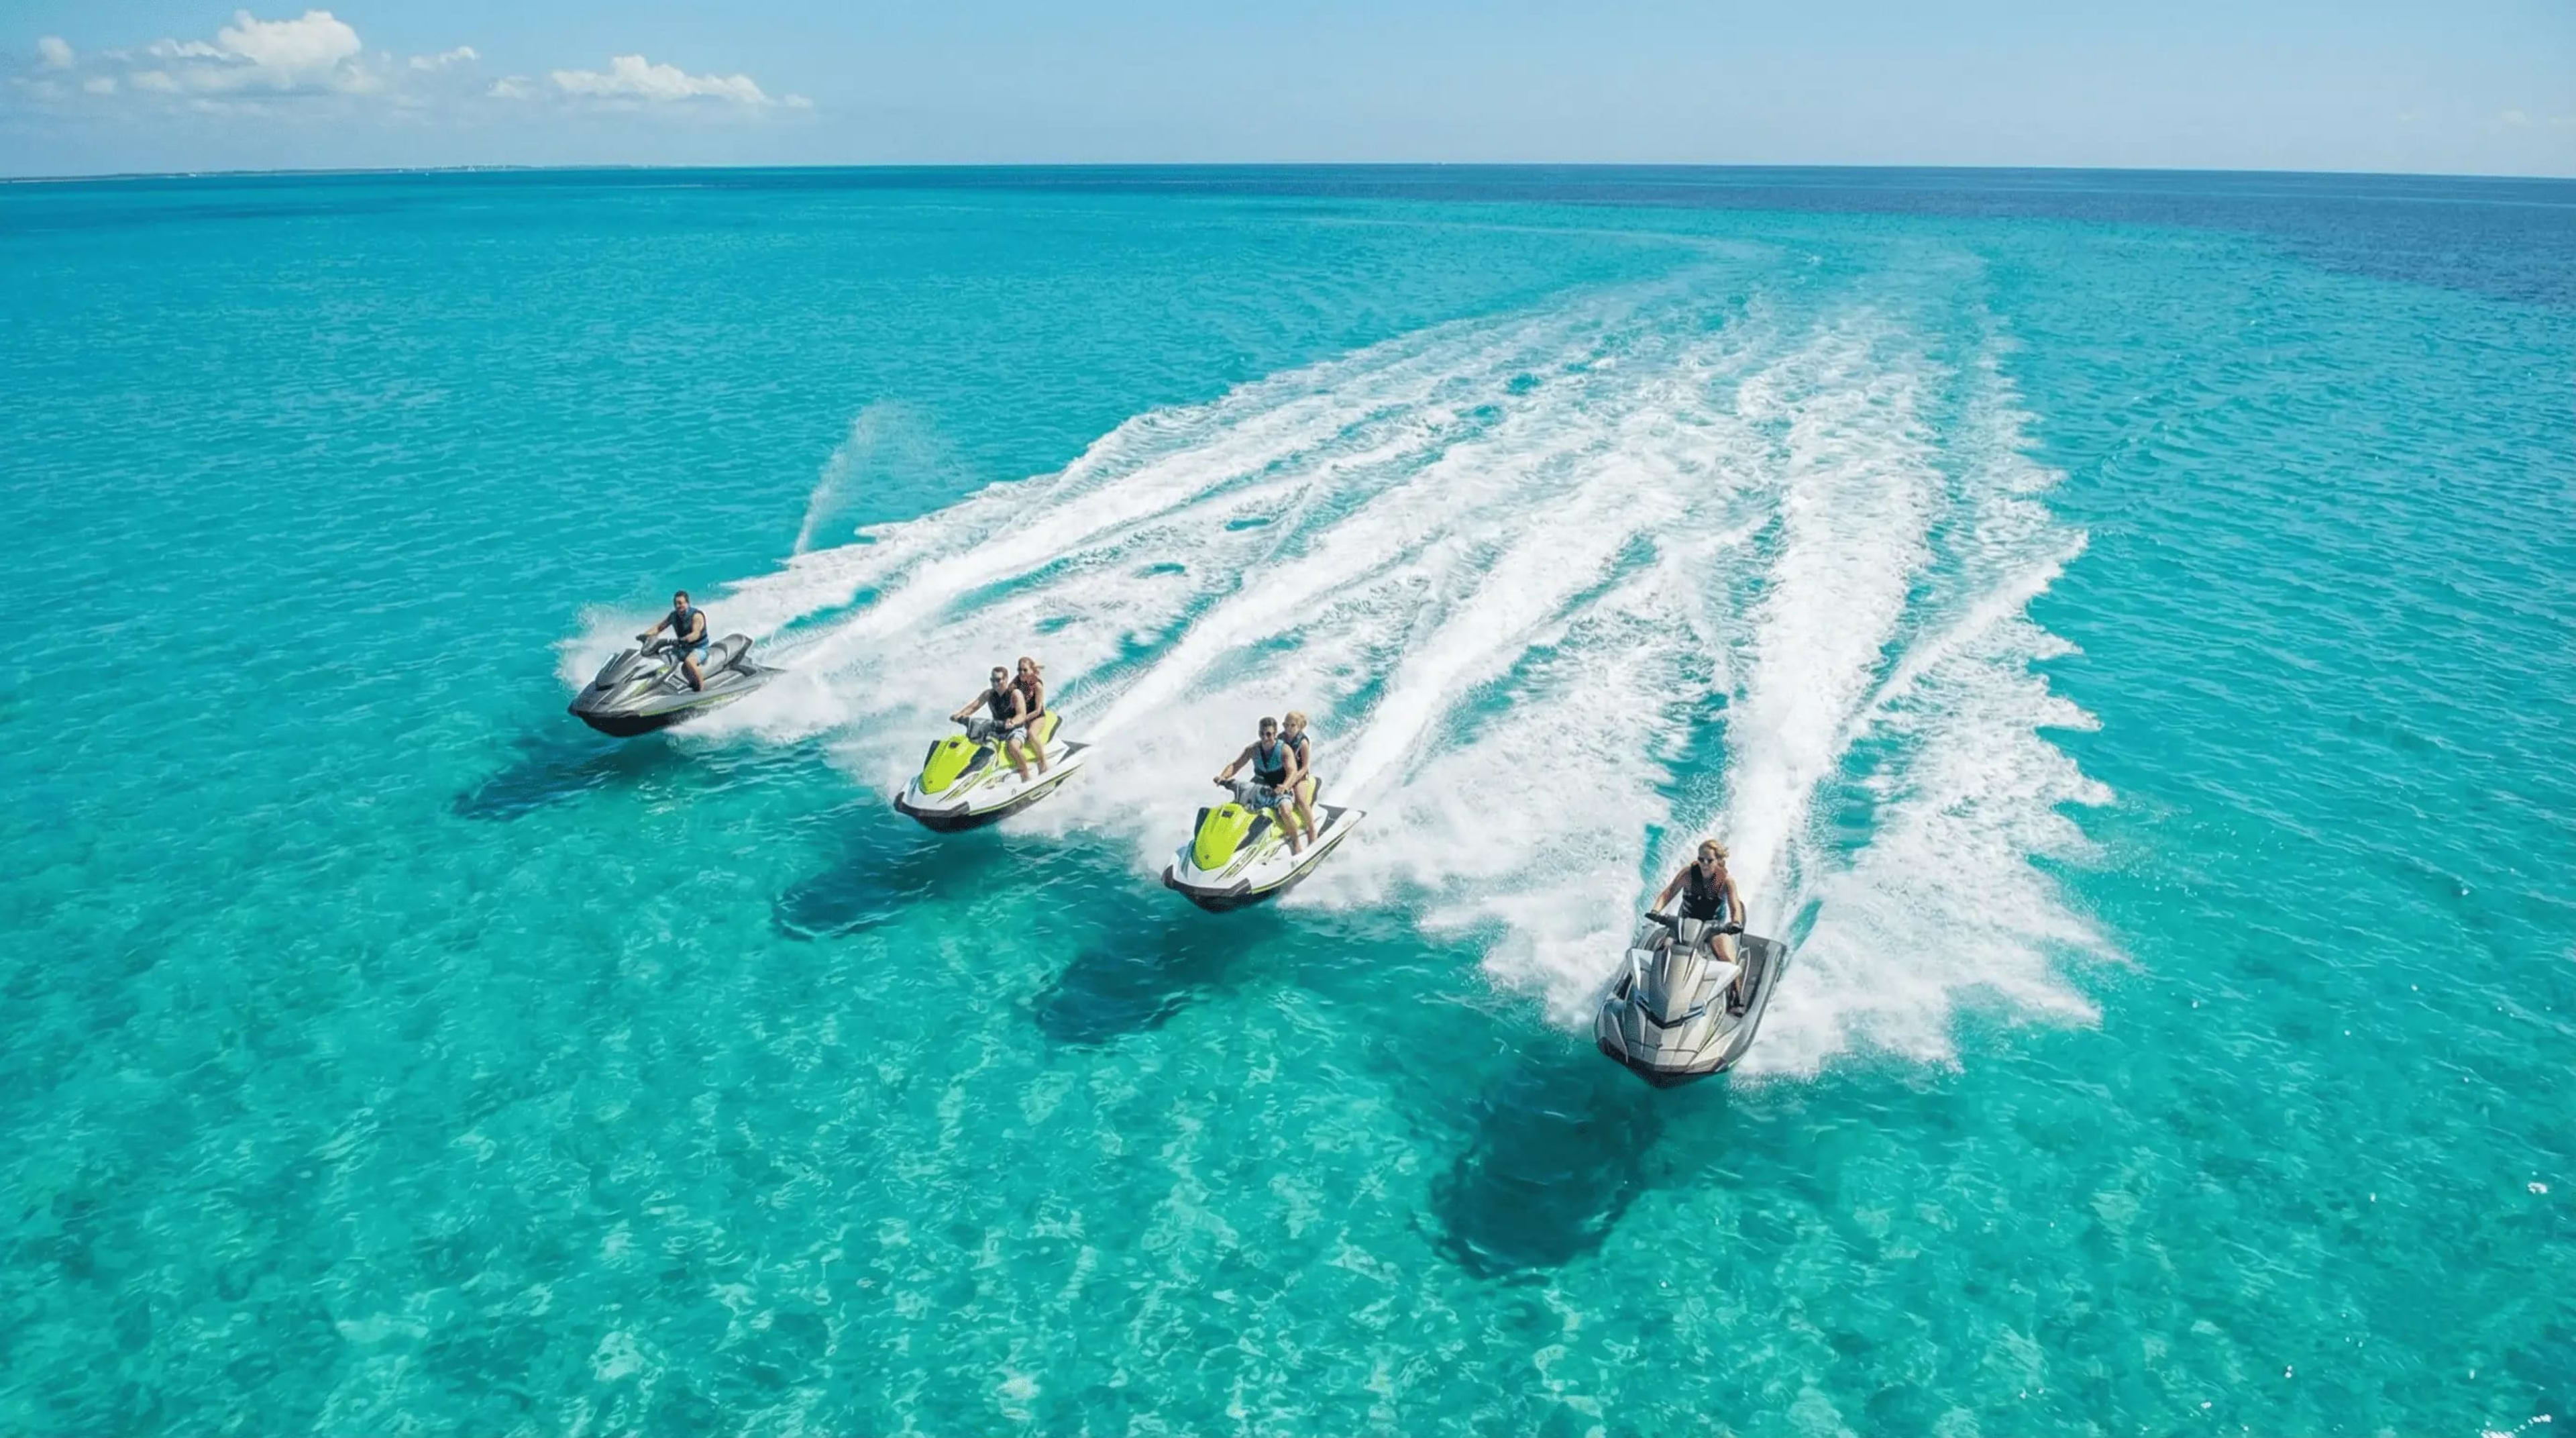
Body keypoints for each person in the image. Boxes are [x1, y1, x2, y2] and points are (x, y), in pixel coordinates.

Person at [1654, 839, 1748, 1003]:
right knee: (1664, 947)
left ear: (1719, 861)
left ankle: (1736, 996)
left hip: (1714, 927)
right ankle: (1647, 986)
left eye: (1709, 860)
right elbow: (1668, 893)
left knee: (1726, 957)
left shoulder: (1726, 882)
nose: (1704, 864)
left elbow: (1735, 907)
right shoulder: (1688, 875)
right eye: (1701, 859)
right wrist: (1656, 910)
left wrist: (1735, 923)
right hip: (1685, 923)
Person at [1214, 715, 1311, 855]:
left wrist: (1284, 786)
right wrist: (1223, 777)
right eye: (1262, 734)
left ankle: (1296, 843)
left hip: (1280, 789)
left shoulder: (1284, 750)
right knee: (1236, 807)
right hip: (1259, 788)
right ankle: (1231, 842)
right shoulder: (1253, 749)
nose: (1265, 738)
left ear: (1275, 733)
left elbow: (1292, 771)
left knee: (1285, 810)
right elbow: (1236, 765)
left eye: (1269, 734)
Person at [950, 665, 1035, 778]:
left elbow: (1022, 715)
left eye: (998, 680)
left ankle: (1026, 774)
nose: (995, 683)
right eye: (992, 680)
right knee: (977, 747)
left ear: (1005, 679)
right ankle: (976, 777)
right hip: (997, 729)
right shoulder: (989, 694)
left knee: (1013, 746)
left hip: (1015, 729)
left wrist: (1013, 722)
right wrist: (960, 715)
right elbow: (973, 707)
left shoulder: (1015, 694)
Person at [637, 590, 710, 692]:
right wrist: (645, 636)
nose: (678, 606)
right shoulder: (674, 616)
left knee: (690, 662)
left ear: (687, 603)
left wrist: (686, 639)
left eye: (680, 603)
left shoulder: (696, 616)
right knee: (661, 659)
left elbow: (696, 634)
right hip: (683, 648)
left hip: (699, 648)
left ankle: (701, 690)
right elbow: (659, 628)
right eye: (676, 604)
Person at [1277, 709, 1321, 846]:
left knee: (1300, 800)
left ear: (1300, 726)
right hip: (1285, 774)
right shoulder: (1280, 739)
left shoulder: (1303, 743)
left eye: (1292, 725)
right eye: (1286, 725)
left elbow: (1305, 767)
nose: (1288, 728)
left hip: (1300, 776)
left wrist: (1294, 779)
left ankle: (1312, 829)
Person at [1011, 656, 1051, 781]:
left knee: (1031, 734)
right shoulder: (1018, 680)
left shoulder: (1038, 685)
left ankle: (1043, 761)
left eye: (1025, 670)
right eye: (1019, 670)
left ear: (1031, 671)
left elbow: (1038, 710)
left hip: (1037, 717)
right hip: (1023, 716)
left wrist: (1024, 718)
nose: (1021, 673)